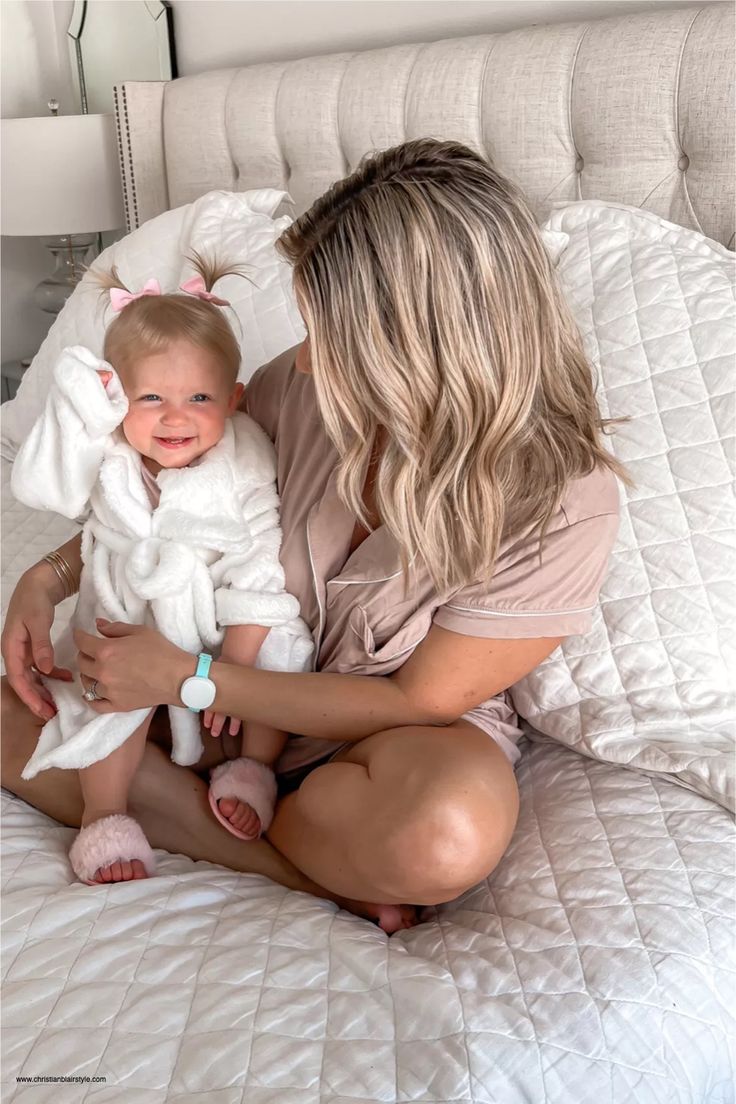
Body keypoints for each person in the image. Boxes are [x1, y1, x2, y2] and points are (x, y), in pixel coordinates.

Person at [1, 139, 623, 934]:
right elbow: (166, 507)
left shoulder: (564, 497)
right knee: (11, 713)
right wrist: (45, 581)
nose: (305, 361)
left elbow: (414, 698)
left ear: (424, 347)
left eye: (334, 337)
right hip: (226, 692)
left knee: (447, 829)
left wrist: (187, 680)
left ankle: (233, 828)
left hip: (382, 739)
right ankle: (299, 866)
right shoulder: (293, 392)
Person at [9, 256, 313, 884]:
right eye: (151, 398)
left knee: (286, 651)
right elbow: (58, 495)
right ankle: (106, 815)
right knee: (100, 686)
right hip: (132, 614)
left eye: (198, 397)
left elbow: (259, 564)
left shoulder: (248, 457)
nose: (175, 418)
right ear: (118, 399)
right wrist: (78, 403)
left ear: (232, 400)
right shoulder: (112, 457)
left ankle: (252, 771)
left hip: (222, 626)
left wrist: (234, 663)